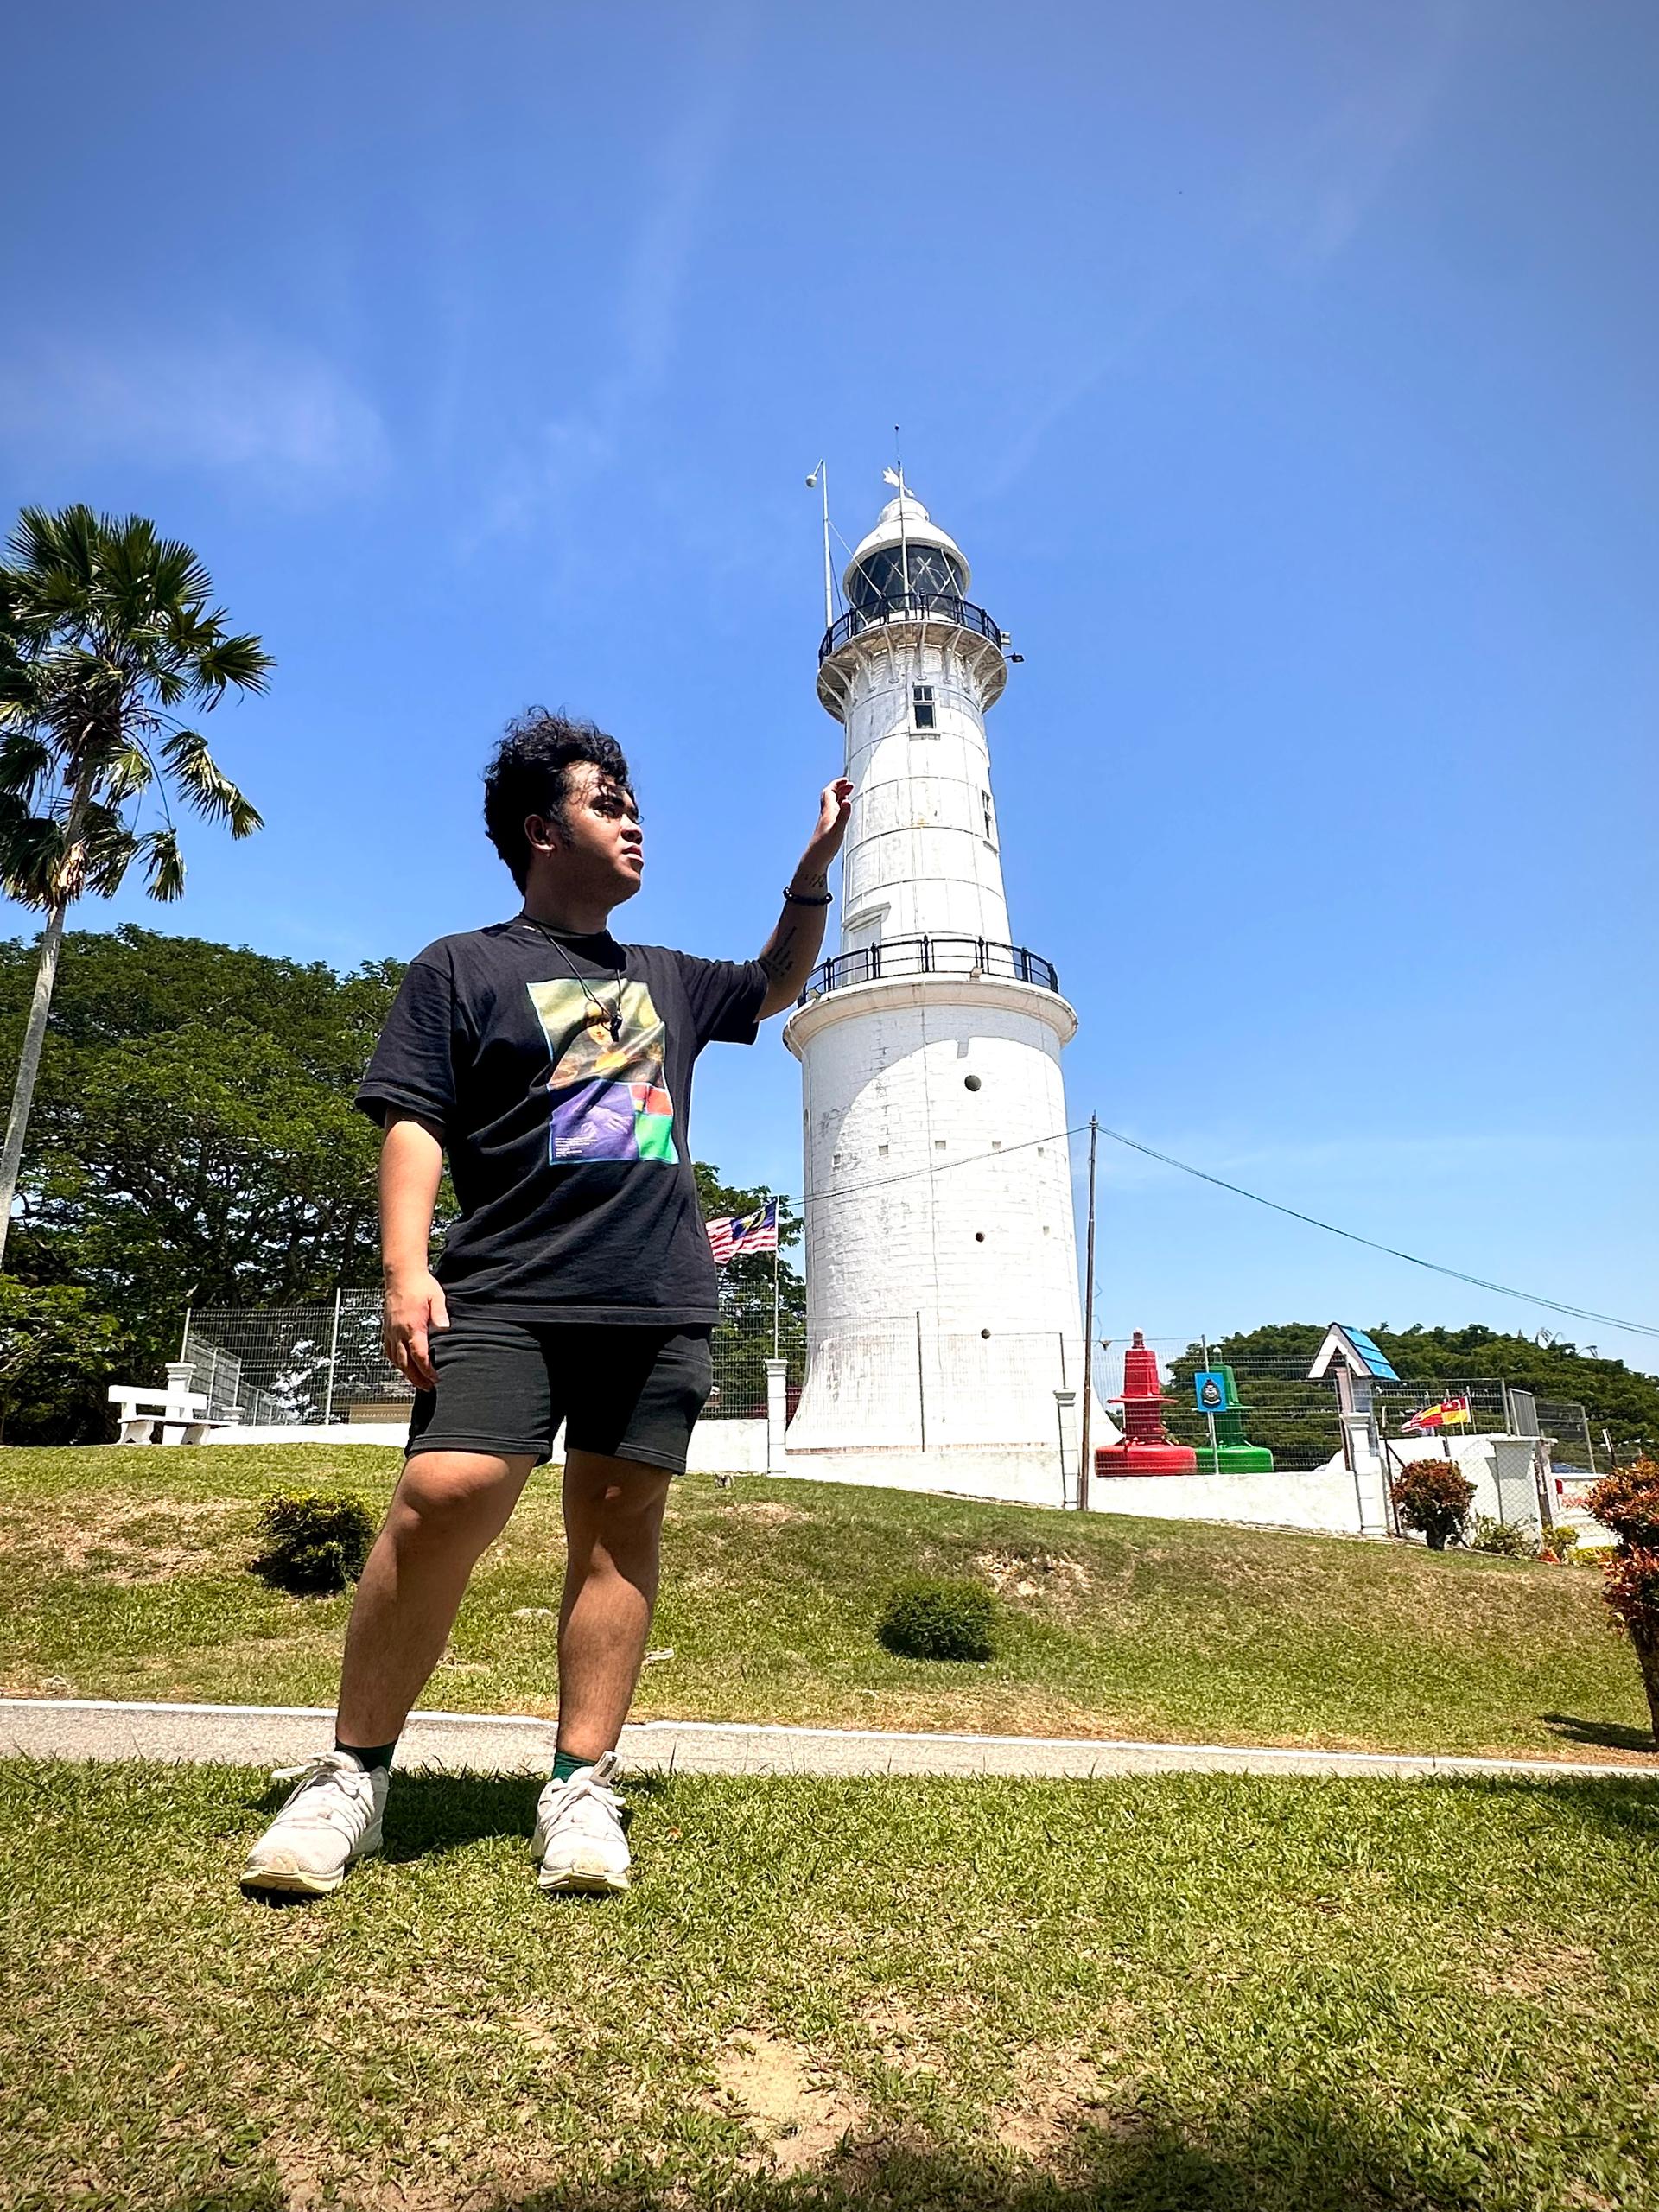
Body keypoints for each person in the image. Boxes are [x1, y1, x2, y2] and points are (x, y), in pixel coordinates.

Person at [242, 709, 850, 1897]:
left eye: (634, 806)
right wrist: (406, 1269)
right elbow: (414, 1116)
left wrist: (811, 872)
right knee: (445, 1492)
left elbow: (776, 984)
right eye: (606, 804)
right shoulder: (461, 967)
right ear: (539, 829)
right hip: (508, 1289)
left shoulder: (667, 977)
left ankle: (579, 1787)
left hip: (656, 1297)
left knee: (620, 1530)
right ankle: (352, 1778)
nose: (634, 823)